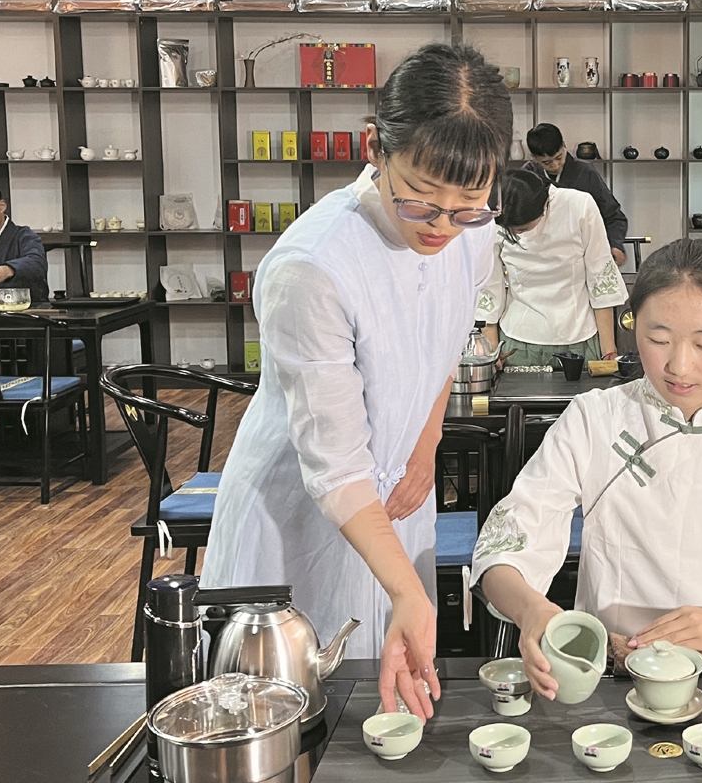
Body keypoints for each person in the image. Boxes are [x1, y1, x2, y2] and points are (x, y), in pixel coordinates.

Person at [201, 41, 512, 720]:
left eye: (469, 203)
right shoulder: (314, 267)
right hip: (304, 505)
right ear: (374, 147)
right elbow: (337, 465)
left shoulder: (472, 233)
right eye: (420, 201)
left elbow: (443, 339)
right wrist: (408, 590)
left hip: (397, 491)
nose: (444, 225)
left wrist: (427, 442)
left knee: (385, 706)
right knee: (292, 706)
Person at [472, 239, 702, 699]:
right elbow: (507, 544)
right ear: (634, 329)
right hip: (610, 671)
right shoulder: (594, 419)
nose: (679, 366)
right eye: (658, 340)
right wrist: (533, 611)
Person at [477, 167, 625, 368]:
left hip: (578, 337)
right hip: (518, 342)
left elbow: (600, 276)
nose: (515, 233)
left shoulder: (578, 205)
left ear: (545, 205)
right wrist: (491, 352)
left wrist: (609, 352)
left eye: (522, 229)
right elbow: (489, 286)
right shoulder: (492, 213)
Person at [525, 122, 628, 265]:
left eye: (559, 157)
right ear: (534, 157)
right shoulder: (528, 176)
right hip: (540, 256)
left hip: (582, 255)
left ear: (564, 145)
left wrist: (615, 244)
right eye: (546, 162)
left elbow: (614, 216)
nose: (555, 166)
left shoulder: (585, 172)